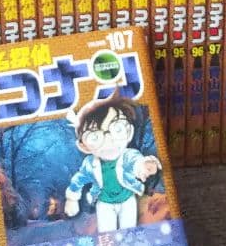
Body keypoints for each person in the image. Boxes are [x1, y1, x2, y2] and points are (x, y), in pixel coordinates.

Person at [64, 94, 161, 233]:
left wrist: (144, 166)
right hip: (104, 203)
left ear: (129, 132)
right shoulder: (90, 164)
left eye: (117, 129)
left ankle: (129, 245)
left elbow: (135, 161)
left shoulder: (127, 155)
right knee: (107, 233)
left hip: (127, 200)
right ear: (84, 146)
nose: (109, 139)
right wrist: (72, 199)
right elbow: (79, 179)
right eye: (95, 136)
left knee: (128, 231)